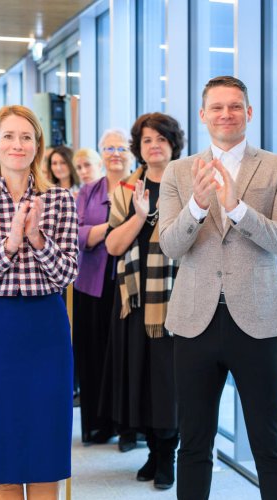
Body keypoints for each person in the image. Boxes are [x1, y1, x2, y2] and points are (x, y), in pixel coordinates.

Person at [159, 76, 277, 500]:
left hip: (259, 319)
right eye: (217, 107)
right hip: (194, 321)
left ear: (249, 113)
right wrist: (197, 206)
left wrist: (238, 209)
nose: (226, 114)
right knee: (194, 444)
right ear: (203, 115)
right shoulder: (178, 171)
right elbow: (170, 246)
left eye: (235, 106)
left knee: (270, 445)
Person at [0, 105, 78, 499]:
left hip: (46, 327)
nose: (17, 144)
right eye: (8, 136)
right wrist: (10, 244)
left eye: (26, 137)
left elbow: (66, 275)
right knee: (0, 449)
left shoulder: (60, 200)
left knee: (45, 448)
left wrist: (38, 239)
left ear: (37, 145)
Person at [101, 113, 184, 489]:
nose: (154, 146)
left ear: (173, 145)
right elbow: (113, 245)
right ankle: (153, 450)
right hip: (134, 301)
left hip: (176, 297)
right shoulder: (126, 189)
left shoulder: (187, 185)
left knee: (168, 382)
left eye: (161, 139)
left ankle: (168, 455)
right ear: (139, 147)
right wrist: (139, 217)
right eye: (147, 140)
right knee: (141, 379)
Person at [73, 136, 131, 445]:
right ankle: (98, 425)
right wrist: (113, 228)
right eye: (109, 148)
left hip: (129, 283)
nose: (115, 153)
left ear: (131, 153)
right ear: (102, 154)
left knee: (126, 357)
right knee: (93, 354)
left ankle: (128, 428)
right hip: (92, 283)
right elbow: (76, 233)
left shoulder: (139, 186)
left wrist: (102, 232)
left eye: (122, 148)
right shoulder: (88, 191)